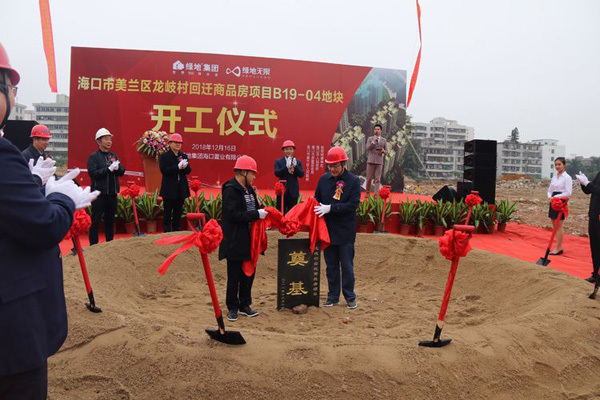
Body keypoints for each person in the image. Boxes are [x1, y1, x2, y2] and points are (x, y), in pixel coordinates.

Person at [0, 42, 99, 400]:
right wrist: (61, 198)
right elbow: (43, 225)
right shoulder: (5, 154)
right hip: (11, 335)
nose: (14, 96)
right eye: (11, 88)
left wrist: (33, 182)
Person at [219, 155, 268, 322]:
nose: (254, 177)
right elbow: (233, 215)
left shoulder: (249, 190)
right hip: (235, 240)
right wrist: (256, 214)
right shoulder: (230, 190)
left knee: (248, 274)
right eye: (253, 174)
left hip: (249, 239)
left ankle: (245, 304)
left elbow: (253, 210)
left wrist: (261, 213)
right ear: (244, 172)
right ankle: (232, 307)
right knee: (234, 275)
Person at [314, 146, 361, 309]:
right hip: (328, 231)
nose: (332, 169)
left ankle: (350, 297)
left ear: (343, 164)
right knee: (331, 266)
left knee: (347, 266)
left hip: (345, 231)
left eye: (335, 166)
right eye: (330, 166)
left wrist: (331, 208)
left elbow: (353, 204)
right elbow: (317, 198)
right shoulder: (323, 180)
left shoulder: (353, 181)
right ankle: (332, 296)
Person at [87, 127, 126, 245]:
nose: (109, 142)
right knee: (95, 220)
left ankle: (109, 244)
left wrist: (118, 168)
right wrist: (108, 169)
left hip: (112, 194)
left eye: (110, 139)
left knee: (110, 220)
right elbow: (93, 173)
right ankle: (93, 245)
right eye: (106, 139)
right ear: (99, 141)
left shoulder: (113, 156)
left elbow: (121, 172)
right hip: (99, 194)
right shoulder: (94, 156)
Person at [159, 133, 191, 232]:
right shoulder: (164, 156)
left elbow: (188, 171)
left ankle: (177, 231)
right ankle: (167, 231)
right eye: (176, 142)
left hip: (180, 188)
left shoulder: (183, 156)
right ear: (170, 143)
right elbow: (164, 170)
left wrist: (184, 167)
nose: (178, 144)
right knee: (167, 212)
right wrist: (177, 167)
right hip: (169, 189)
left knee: (178, 212)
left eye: (180, 143)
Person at [576, 170, 600, 283]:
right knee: (594, 245)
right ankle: (596, 273)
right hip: (593, 215)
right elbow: (589, 190)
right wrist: (583, 183)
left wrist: (588, 183)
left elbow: (598, 190)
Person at [546, 157, 572, 255]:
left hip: (561, 201)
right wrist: (550, 197)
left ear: (564, 165)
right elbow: (550, 190)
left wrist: (556, 197)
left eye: (559, 164)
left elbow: (568, 193)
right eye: (556, 164)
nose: (557, 166)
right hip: (553, 201)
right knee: (554, 226)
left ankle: (558, 247)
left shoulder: (567, 177)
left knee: (559, 226)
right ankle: (558, 247)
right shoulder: (554, 177)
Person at [274, 139, 304, 214]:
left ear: (293, 150)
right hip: (282, 192)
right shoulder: (278, 161)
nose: (288, 151)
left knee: (292, 213)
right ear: (283, 150)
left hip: (293, 191)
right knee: (281, 212)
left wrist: (295, 166)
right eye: (286, 149)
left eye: (290, 149)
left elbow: (301, 174)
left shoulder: (297, 162)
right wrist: (286, 167)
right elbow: (277, 173)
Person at [365, 123, 387, 195]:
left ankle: (375, 194)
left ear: (381, 131)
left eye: (378, 129)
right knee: (368, 178)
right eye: (375, 129)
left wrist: (383, 151)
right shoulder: (370, 139)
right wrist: (373, 141)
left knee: (377, 179)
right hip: (371, 161)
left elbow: (386, 151)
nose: (376, 130)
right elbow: (368, 148)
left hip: (379, 162)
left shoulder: (384, 140)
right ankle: (367, 193)